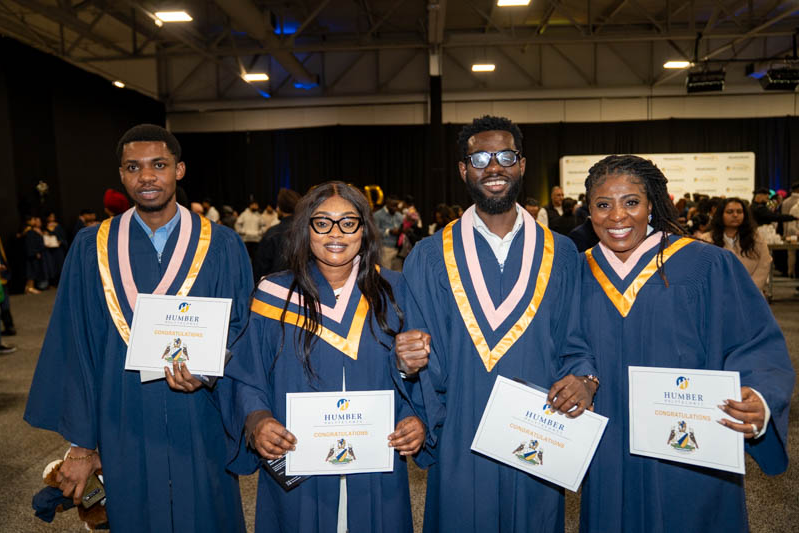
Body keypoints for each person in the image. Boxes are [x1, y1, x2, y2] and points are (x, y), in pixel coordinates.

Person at [24, 124, 251, 533]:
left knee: (206, 513)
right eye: (133, 167)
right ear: (121, 174)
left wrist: (208, 370)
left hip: (200, 413)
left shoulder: (221, 245)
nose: (146, 176)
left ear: (179, 170)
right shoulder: (90, 247)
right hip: (122, 415)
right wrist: (82, 444)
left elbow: (241, 329)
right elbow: (77, 345)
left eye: (158, 165)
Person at [397, 115, 598, 533]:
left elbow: (577, 340)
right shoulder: (430, 257)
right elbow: (419, 360)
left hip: (539, 428)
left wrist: (584, 379)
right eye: (480, 158)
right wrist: (408, 366)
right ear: (463, 169)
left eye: (505, 157)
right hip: (461, 434)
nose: (493, 167)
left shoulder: (561, 254)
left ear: (521, 165)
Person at [578, 155, 794, 533]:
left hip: (690, 443)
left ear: (652, 205)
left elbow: (755, 340)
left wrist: (759, 395)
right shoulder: (577, 271)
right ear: (589, 211)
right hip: (607, 441)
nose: (618, 216)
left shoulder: (706, 265)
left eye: (632, 202)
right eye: (603, 204)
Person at [220, 181, 423, 532]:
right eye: (322, 222)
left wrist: (413, 419)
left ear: (364, 230)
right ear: (306, 229)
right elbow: (247, 374)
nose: (336, 233)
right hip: (298, 461)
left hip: (376, 463)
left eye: (348, 222)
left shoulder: (395, 292)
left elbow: (414, 375)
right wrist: (257, 420)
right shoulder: (273, 294)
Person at [704, 197, 772, 291]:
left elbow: (764, 264)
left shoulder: (756, 238)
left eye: (739, 212)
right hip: (718, 293)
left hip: (751, 293)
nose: (735, 215)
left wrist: (749, 289)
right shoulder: (706, 240)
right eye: (730, 212)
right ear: (721, 214)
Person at [253, 188, 301, 281]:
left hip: (276, 285)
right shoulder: (308, 230)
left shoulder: (273, 233)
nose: (276, 209)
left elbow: (260, 268)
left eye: (278, 206)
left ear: (280, 208)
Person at [373, 195, 404, 270]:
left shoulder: (399, 215)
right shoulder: (378, 215)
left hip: (399, 250)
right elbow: (374, 231)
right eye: (393, 206)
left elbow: (402, 228)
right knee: (386, 273)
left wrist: (402, 230)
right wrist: (389, 231)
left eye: (396, 206)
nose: (395, 208)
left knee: (398, 273)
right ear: (387, 204)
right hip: (385, 248)